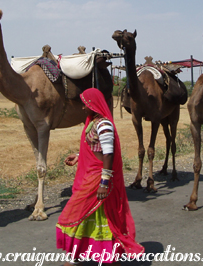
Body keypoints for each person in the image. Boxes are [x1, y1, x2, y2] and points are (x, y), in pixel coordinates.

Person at [56, 88, 144, 265]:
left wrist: (104, 182)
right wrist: (79, 156)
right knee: (89, 216)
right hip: (92, 176)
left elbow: (108, 154)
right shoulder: (93, 123)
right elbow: (96, 149)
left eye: (85, 104)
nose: (82, 108)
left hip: (98, 178)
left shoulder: (104, 125)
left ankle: (101, 256)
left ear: (92, 104)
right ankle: (77, 256)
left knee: (89, 216)